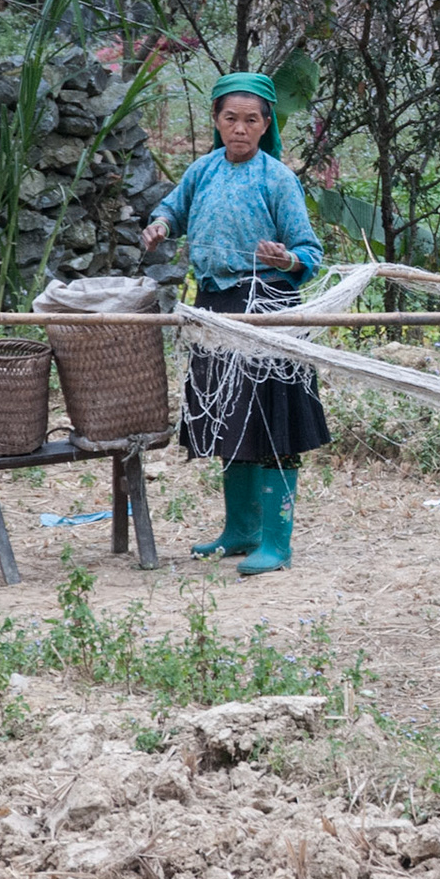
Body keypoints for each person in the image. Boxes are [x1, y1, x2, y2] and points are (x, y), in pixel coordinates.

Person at [140, 72, 327, 576]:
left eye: (251, 120)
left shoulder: (277, 179)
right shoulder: (203, 170)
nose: (240, 129)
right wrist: (159, 226)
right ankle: (240, 530)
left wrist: (286, 258)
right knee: (230, 416)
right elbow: (173, 209)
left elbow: (310, 251)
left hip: (267, 309)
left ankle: (276, 542)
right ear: (217, 122)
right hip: (215, 306)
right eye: (230, 119)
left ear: (266, 125)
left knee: (273, 423)